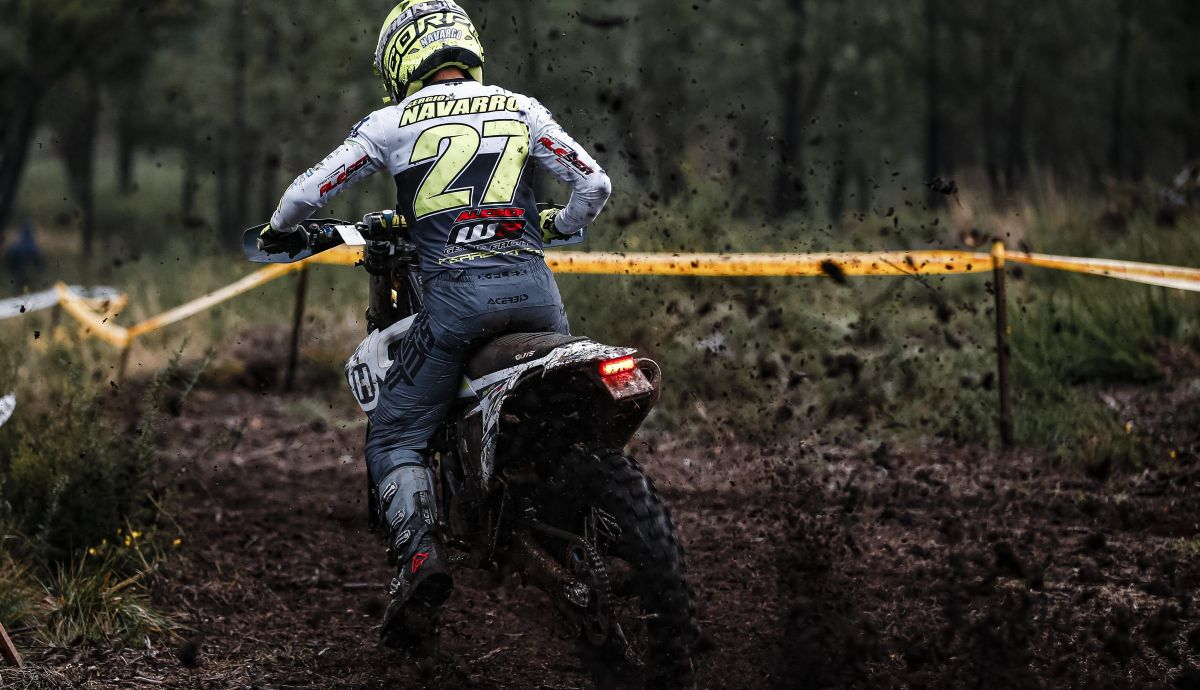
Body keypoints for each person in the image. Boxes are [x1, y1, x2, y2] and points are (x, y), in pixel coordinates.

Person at [260, 0, 611, 650]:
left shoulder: (391, 122)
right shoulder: (522, 107)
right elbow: (595, 184)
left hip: (456, 304)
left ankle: (421, 559)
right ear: (468, 46)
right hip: (541, 304)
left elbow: (303, 197)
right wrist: (556, 227)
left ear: (399, 59)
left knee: (395, 432)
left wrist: (282, 235)